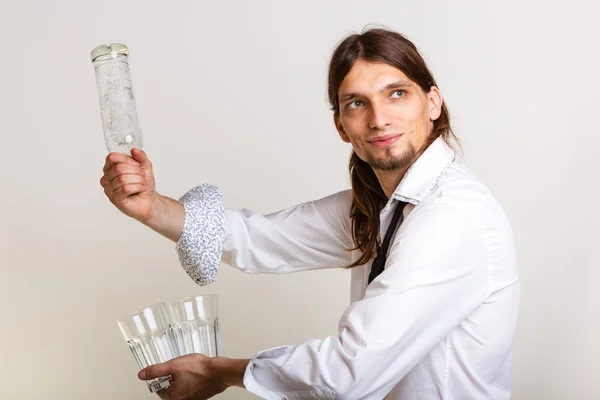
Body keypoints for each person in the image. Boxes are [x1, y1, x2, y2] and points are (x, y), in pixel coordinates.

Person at [100, 27, 520, 400]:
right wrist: (149, 207)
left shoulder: (450, 216)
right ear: (341, 126)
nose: (379, 119)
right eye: (357, 103)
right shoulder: (382, 205)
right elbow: (259, 239)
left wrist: (217, 372)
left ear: (432, 102)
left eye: (397, 93)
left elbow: (347, 375)